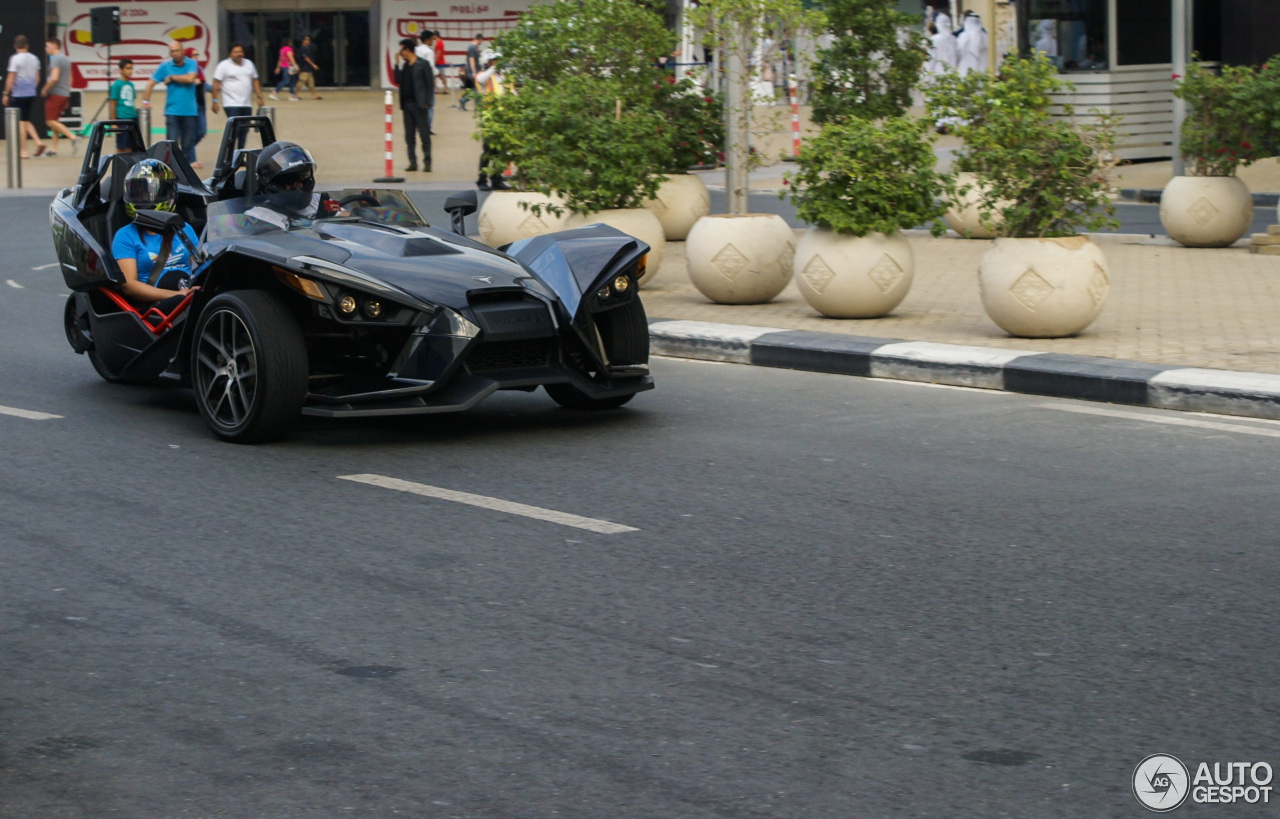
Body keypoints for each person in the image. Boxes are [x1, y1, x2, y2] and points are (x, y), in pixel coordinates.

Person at [111, 159, 201, 309]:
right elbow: (129, 286)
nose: (145, 198)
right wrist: (176, 295)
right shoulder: (125, 236)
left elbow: (199, 269)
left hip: (188, 293)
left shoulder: (183, 229)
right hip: (157, 303)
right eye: (139, 192)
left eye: (151, 192)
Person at [140, 41, 202, 168]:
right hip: (172, 112)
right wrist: (145, 101)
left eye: (177, 50)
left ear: (183, 51)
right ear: (169, 53)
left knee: (187, 145)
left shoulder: (191, 63)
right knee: (170, 145)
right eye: (172, 51)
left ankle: (184, 171)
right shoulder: (165, 67)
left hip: (189, 111)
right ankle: (171, 170)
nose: (175, 54)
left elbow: (190, 79)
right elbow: (150, 83)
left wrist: (173, 77)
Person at [211, 43, 264, 148]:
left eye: (240, 51)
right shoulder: (223, 65)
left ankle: (240, 153)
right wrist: (214, 101)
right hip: (230, 103)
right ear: (230, 54)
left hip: (246, 103)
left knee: (244, 130)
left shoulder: (249, 64)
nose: (238, 54)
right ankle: (229, 154)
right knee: (235, 129)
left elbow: (255, 81)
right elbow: (215, 84)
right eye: (235, 52)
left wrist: (259, 96)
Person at [2, 35, 46, 158]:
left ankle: (24, 151)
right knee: (25, 120)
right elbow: (37, 77)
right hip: (31, 93)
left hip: (18, 94)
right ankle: (38, 142)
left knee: (20, 123)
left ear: (15, 46)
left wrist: (6, 93)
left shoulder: (15, 59)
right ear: (26, 45)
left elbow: (11, 77)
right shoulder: (34, 58)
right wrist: (32, 88)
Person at [393, 38, 432, 172]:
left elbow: (429, 84)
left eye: (401, 50)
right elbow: (397, 80)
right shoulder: (405, 66)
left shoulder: (423, 64)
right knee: (409, 136)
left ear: (407, 50)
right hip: (407, 106)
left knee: (424, 135)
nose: (400, 53)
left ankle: (427, 162)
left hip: (420, 105)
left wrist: (427, 102)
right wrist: (396, 65)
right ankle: (412, 162)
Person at [473, 50, 509, 191]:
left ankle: (497, 179)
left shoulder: (503, 77)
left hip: (503, 119)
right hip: (490, 119)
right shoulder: (486, 76)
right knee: (488, 151)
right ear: (488, 62)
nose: (498, 62)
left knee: (500, 152)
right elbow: (480, 80)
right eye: (495, 59)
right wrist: (492, 67)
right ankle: (482, 180)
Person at [40, 39, 77, 155]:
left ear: (54, 45)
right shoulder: (66, 59)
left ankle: (72, 137)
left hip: (55, 94)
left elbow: (54, 78)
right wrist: (67, 93)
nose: (45, 49)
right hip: (64, 93)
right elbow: (70, 79)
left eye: (47, 46)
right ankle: (53, 149)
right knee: (55, 121)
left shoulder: (55, 59)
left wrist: (45, 89)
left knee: (50, 121)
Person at [185, 48, 210, 163]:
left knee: (201, 131)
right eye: (193, 55)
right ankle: (192, 159)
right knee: (191, 132)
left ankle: (185, 150)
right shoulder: (185, 70)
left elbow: (204, 85)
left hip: (200, 105)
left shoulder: (199, 69)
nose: (196, 57)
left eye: (197, 54)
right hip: (189, 106)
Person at [108, 58, 137, 153]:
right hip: (121, 118)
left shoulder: (131, 85)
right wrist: (113, 122)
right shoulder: (116, 85)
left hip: (131, 118)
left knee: (131, 146)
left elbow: (132, 101)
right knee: (121, 147)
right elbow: (112, 103)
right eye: (127, 68)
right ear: (121, 70)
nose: (130, 71)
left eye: (131, 68)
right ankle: (118, 166)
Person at [415, 31, 439, 133]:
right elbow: (431, 68)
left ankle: (418, 125)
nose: (433, 41)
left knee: (418, 104)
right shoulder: (429, 51)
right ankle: (427, 128)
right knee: (429, 105)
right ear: (427, 39)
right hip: (427, 81)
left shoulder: (416, 49)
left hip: (417, 80)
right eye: (432, 39)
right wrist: (438, 74)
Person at [459, 33, 483, 111]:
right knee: (477, 89)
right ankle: (476, 106)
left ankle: (464, 100)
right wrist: (473, 71)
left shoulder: (474, 47)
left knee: (475, 88)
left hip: (475, 71)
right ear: (479, 39)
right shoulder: (472, 48)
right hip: (473, 71)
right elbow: (471, 60)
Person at [297, 35, 321, 100]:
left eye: (309, 40)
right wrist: (313, 65)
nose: (308, 41)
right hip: (304, 68)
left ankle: (314, 95)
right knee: (301, 81)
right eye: (307, 40)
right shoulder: (303, 48)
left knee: (311, 82)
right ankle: (294, 95)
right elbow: (306, 58)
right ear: (303, 41)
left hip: (308, 68)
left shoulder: (306, 48)